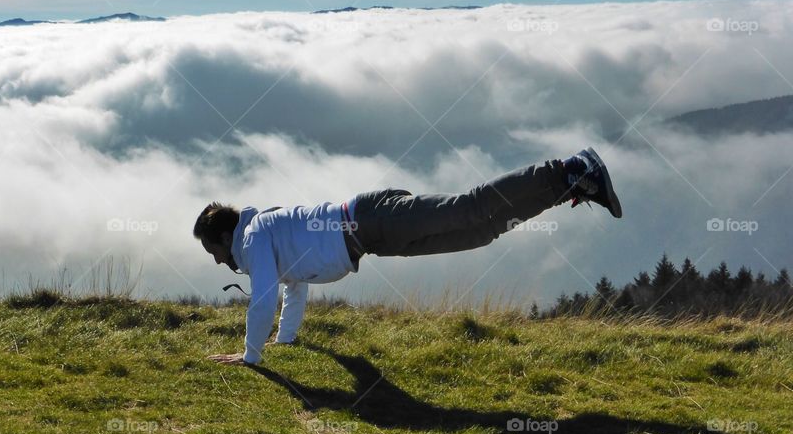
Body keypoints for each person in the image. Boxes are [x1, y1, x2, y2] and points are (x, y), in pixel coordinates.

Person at [194, 148, 622, 365]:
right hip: (374, 238)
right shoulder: (260, 235)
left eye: (212, 250)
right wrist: (283, 340)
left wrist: (251, 355)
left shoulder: (251, 238)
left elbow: (264, 295)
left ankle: (566, 168)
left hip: (369, 219)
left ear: (225, 235)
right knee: (481, 231)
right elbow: (293, 286)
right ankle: (569, 187)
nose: (216, 261)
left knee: (469, 207)